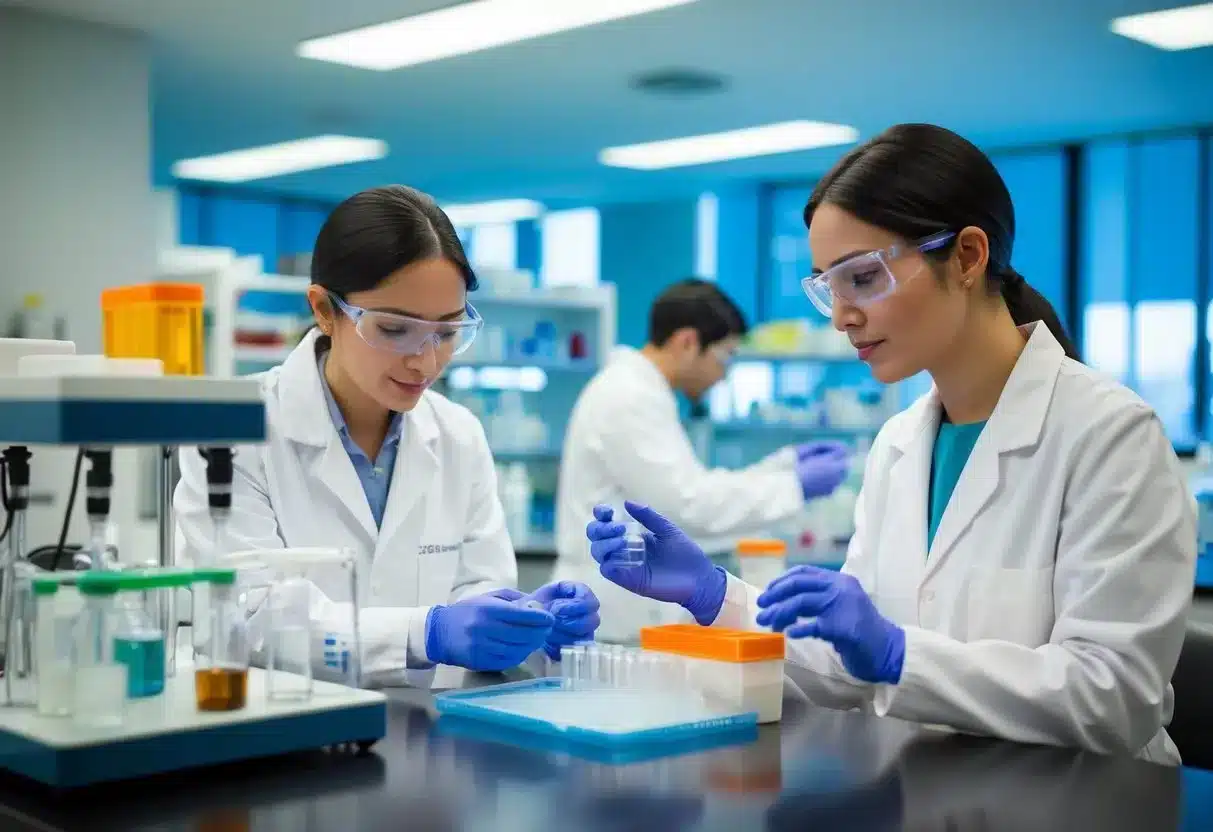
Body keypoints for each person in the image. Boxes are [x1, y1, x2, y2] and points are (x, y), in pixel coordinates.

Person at [586, 124, 1196, 763]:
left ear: (966, 256)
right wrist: (716, 594)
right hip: (931, 788)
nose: (841, 315)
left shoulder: (1109, 436)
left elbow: (1114, 698)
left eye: (862, 278)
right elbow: (847, 666)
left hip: (1094, 806)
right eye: (828, 285)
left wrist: (900, 655)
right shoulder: (900, 444)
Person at [175, 185, 600, 687]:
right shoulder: (232, 429)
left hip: (429, 739)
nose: (424, 360)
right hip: (285, 744)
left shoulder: (458, 435)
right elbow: (243, 617)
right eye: (395, 330)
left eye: (446, 332)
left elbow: (481, 592)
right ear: (323, 310)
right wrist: (426, 633)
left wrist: (526, 623)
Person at [555, 278, 851, 641]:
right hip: (612, 615)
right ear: (687, 342)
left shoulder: (640, 391)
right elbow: (688, 507)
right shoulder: (629, 397)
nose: (724, 374)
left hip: (623, 607)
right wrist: (794, 485)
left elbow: (689, 486)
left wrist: (784, 464)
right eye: (724, 356)